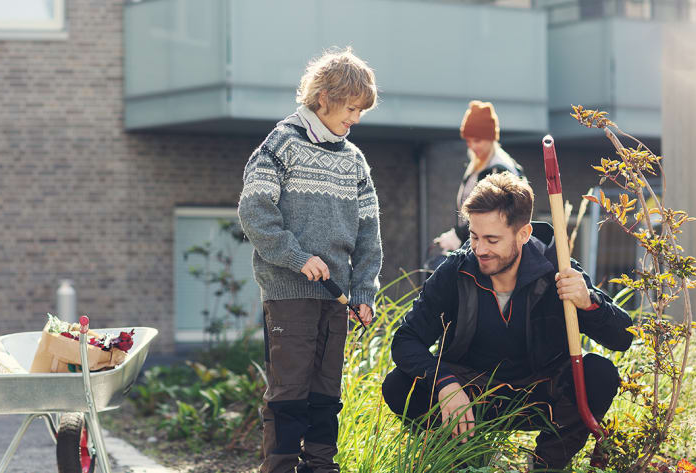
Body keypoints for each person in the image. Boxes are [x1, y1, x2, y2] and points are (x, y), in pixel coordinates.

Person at [382, 172, 633, 471]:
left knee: (600, 372)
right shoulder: (455, 271)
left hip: (539, 393)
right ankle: (468, 460)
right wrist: (445, 384)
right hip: (471, 393)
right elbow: (406, 339)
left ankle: (545, 465)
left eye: (492, 239)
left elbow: (623, 338)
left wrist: (589, 301)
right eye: (474, 237)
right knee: (399, 384)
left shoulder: (558, 268)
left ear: (523, 234)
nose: (480, 249)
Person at [238, 47, 382, 473]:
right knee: (289, 391)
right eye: (351, 107)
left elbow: (368, 233)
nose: (354, 118)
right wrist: (297, 257)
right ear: (324, 98)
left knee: (326, 393)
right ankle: (279, 468)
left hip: (336, 298)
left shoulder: (353, 161)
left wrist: (363, 291)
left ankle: (321, 467)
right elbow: (255, 211)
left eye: (360, 111)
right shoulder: (282, 143)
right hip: (289, 293)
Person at [434, 100, 524, 252]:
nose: (473, 146)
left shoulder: (500, 169)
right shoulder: (479, 165)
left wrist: (458, 235)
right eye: (469, 141)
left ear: (491, 138)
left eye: (478, 140)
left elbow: (494, 216)